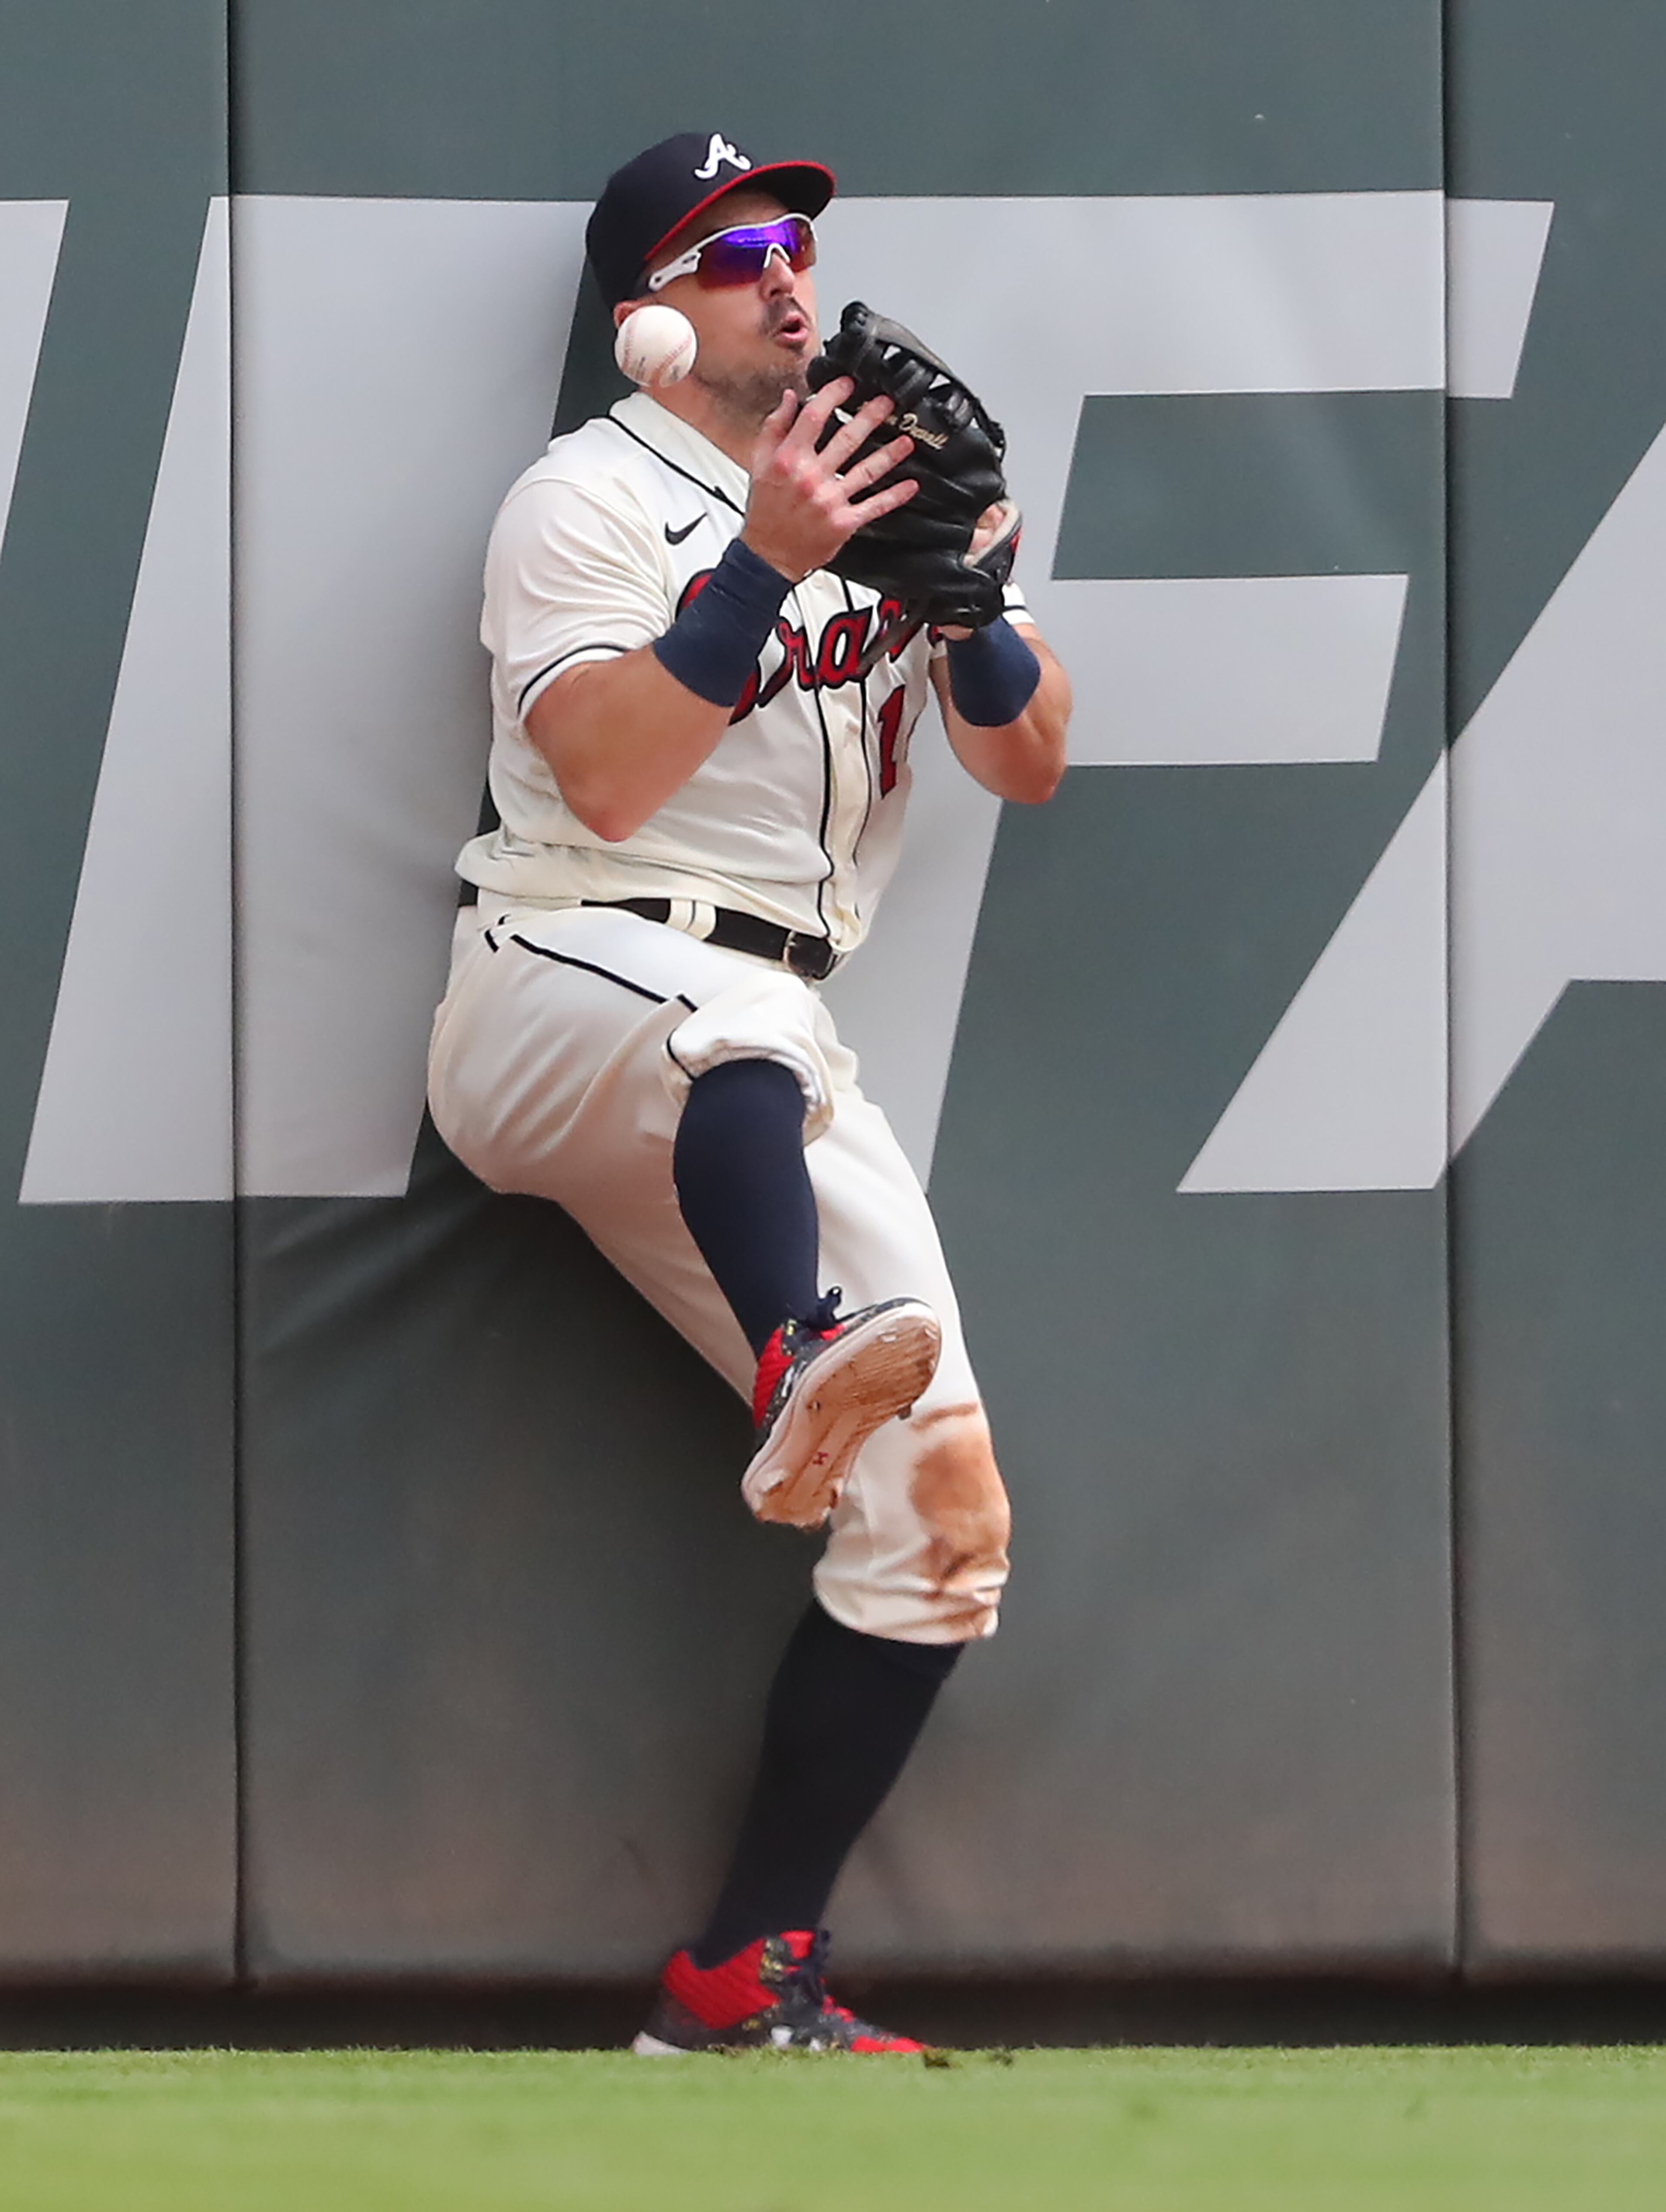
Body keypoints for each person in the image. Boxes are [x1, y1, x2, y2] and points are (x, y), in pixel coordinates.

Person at [427, 129, 1071, 2054]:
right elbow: (611, 780)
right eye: (731, 251)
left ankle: (739, 1975)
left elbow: (1030, 764)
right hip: (558, 972)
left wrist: (963, 600)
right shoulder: (582, 503)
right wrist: (763, 560)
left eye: (797, 239)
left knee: (945, 1526)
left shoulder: (885, 491)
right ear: (647, 321)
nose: (786, 272)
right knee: (743, 1036)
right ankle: (800, 1352)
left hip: (769, 1037)